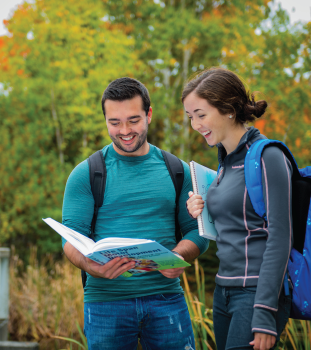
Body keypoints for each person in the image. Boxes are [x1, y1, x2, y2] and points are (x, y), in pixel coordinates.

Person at [61, 77, 209, 350]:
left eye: (133, 120)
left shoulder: (177, 170)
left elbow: (197, 231)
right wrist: (90, 265)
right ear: (104, 119)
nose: (125, 130)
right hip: (105, 303)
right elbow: (70, 238)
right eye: (114, 122)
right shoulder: (86, 173)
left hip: (167, 300)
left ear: (149, 115)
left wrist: (180, 255)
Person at [183, 68, 292, 350]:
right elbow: (238, 223)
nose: (195, 124)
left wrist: (266, 311)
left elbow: (280, 236)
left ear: (229, 110)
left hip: (256, 293)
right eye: (190, 116)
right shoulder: (224, 164)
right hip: (223, 292)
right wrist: (202, 209)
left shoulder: (268, 155)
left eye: (201, 114)